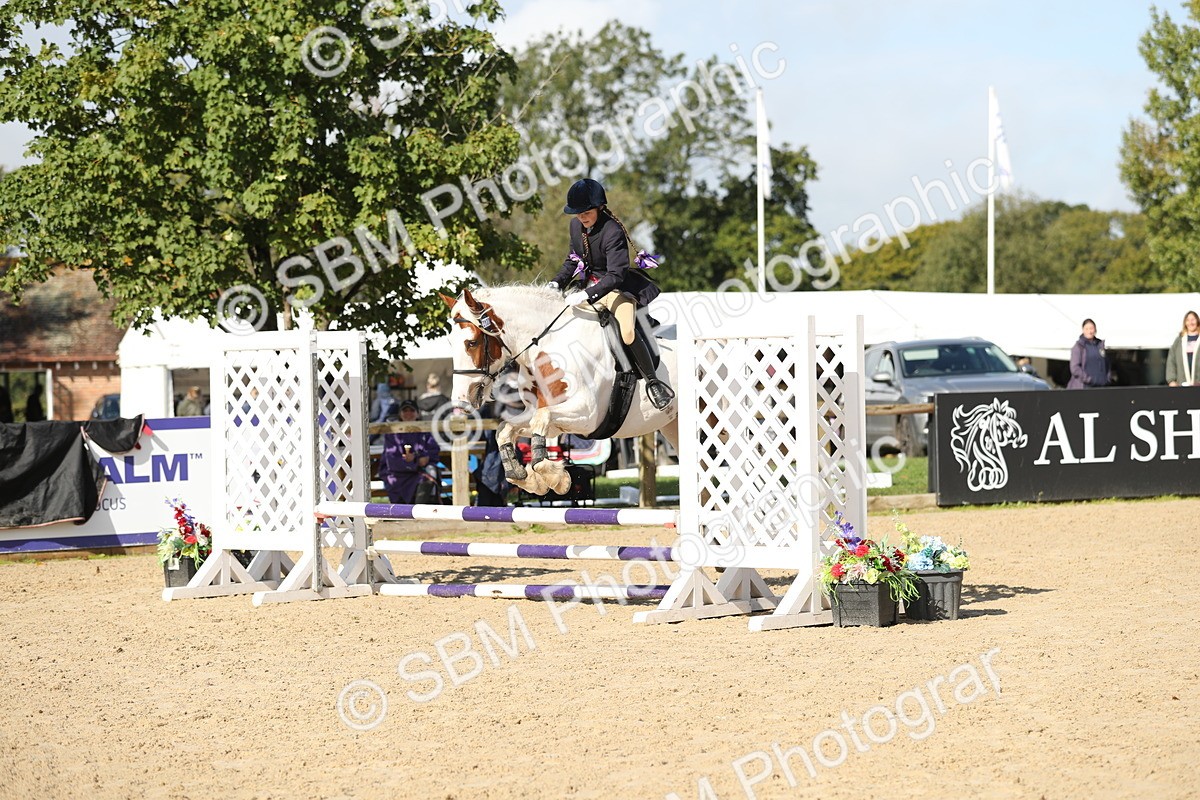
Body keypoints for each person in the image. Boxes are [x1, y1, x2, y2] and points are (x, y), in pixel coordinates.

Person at [548, 178, 674, 410]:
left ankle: (653, 382)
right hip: (588, 286)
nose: (582, 217)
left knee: (627, 331)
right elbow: (572, 260)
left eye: (586, 212)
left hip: (616, 289)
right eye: (578, 213)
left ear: (599, 207)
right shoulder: (575, 226)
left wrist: (587, 294)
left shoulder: (612, 231)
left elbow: (616, 275)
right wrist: (556, 283)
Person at [378, 399, 441, 504]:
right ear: (400, 414)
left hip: (418, 473)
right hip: (397, 474)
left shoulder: (424, 430)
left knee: (431, 473)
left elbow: (433, 450)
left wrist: (424, 458)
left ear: (417, 413)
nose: (408, 414)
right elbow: (392, 460)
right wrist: (413, 461)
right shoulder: (392, 432)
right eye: (405, 411)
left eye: (412, 410)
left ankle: (422, 509)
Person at [1067, 319, 1111, 389]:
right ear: (1083, 330)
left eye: (1091, 328)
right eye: (1086, 329)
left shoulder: (1100, 345)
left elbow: (1107, 363)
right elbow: (1075, 368)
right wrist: (1089, 379)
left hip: (1101, 387)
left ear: (1095, 329)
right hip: (1084, 387)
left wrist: (1107, 378)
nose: (1089, 331)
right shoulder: (1079, 347)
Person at [1165, 310, 1200, 387]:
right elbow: (1171, 361)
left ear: (1197, 321)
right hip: (1182, 385)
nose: (1190, 322)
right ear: (1185, 323)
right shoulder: (1179, 341)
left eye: (1193, 319)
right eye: (1188, 320)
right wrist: (1171, 380)